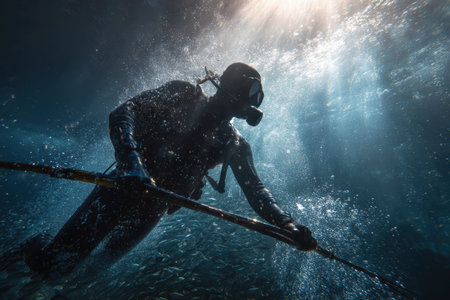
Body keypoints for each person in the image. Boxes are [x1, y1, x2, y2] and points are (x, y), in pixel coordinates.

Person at [21, 62, 317, 275]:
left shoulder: (233, 144)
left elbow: (256, 191)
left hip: (153, 210)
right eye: (252, 92)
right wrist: (129, 161)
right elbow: (124, 113)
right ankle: (26, 250)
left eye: (258, 96)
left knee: (93, 271)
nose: (254, 103)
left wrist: (287, 225)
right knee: (53, 264)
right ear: (232, 89)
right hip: (120, 189)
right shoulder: (183, 94)